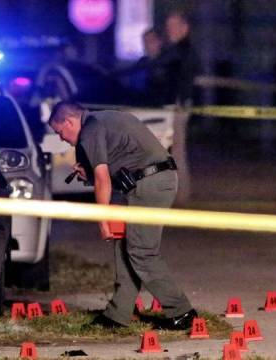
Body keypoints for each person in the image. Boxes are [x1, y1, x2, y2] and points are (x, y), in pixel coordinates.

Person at [48, 101, 197, 330]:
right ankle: (118, 314)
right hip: (150, 181)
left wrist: (102, 220)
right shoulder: (103, 120)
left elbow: (102, 179)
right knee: (126, 247)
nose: (62, 139)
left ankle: (182, 313)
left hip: (150, 184)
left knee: (142, 251)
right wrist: (88, 174)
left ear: (69, 121)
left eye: (60, 132)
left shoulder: (91, 128)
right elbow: (120, 163)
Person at [159, 11, 200, 106]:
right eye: (168, 26)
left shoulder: (185, 52)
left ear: (185, 28)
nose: (169, 29)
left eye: (173, 25)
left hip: (179, 105)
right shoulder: (171, 50)